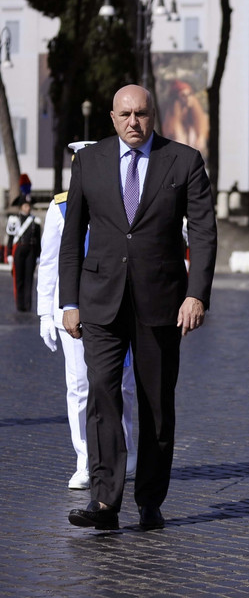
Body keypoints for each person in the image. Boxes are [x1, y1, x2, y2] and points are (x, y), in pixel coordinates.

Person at [61, 84, 217, 531]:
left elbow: (204, 233)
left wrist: (197, 293)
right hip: (99, 302)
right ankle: (105, 501)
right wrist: (69, 302)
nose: (134, 122)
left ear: (155, 116)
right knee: (103, 396)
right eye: (125, 114)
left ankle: (150, 499)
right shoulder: (88, 161)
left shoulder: (184, 161)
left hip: (162, 302)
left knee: (155, 404)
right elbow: (73, 236)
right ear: (112, 118)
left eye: (142, 114)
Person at [36, 167, 138, 491]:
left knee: (124, 386)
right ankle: (85, 460)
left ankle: (128, 452)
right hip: (74, 310)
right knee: (80, 387)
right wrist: (44, 313)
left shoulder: (127, 198)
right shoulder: (61, 205)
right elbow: (50, 260)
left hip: (119, 308)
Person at [7, 198, 42, 312]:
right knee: (19, 278)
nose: (27, 208)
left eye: (28, 206)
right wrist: (9, 254)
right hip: (19, 250)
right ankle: (20, 304)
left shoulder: (35, 221)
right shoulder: (14, 220)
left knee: (29, 278)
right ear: (21, 206)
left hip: (31, 251)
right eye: (25, 206)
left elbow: (38, 239)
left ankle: (27, 304)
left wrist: (38, 255)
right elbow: (11, 238)